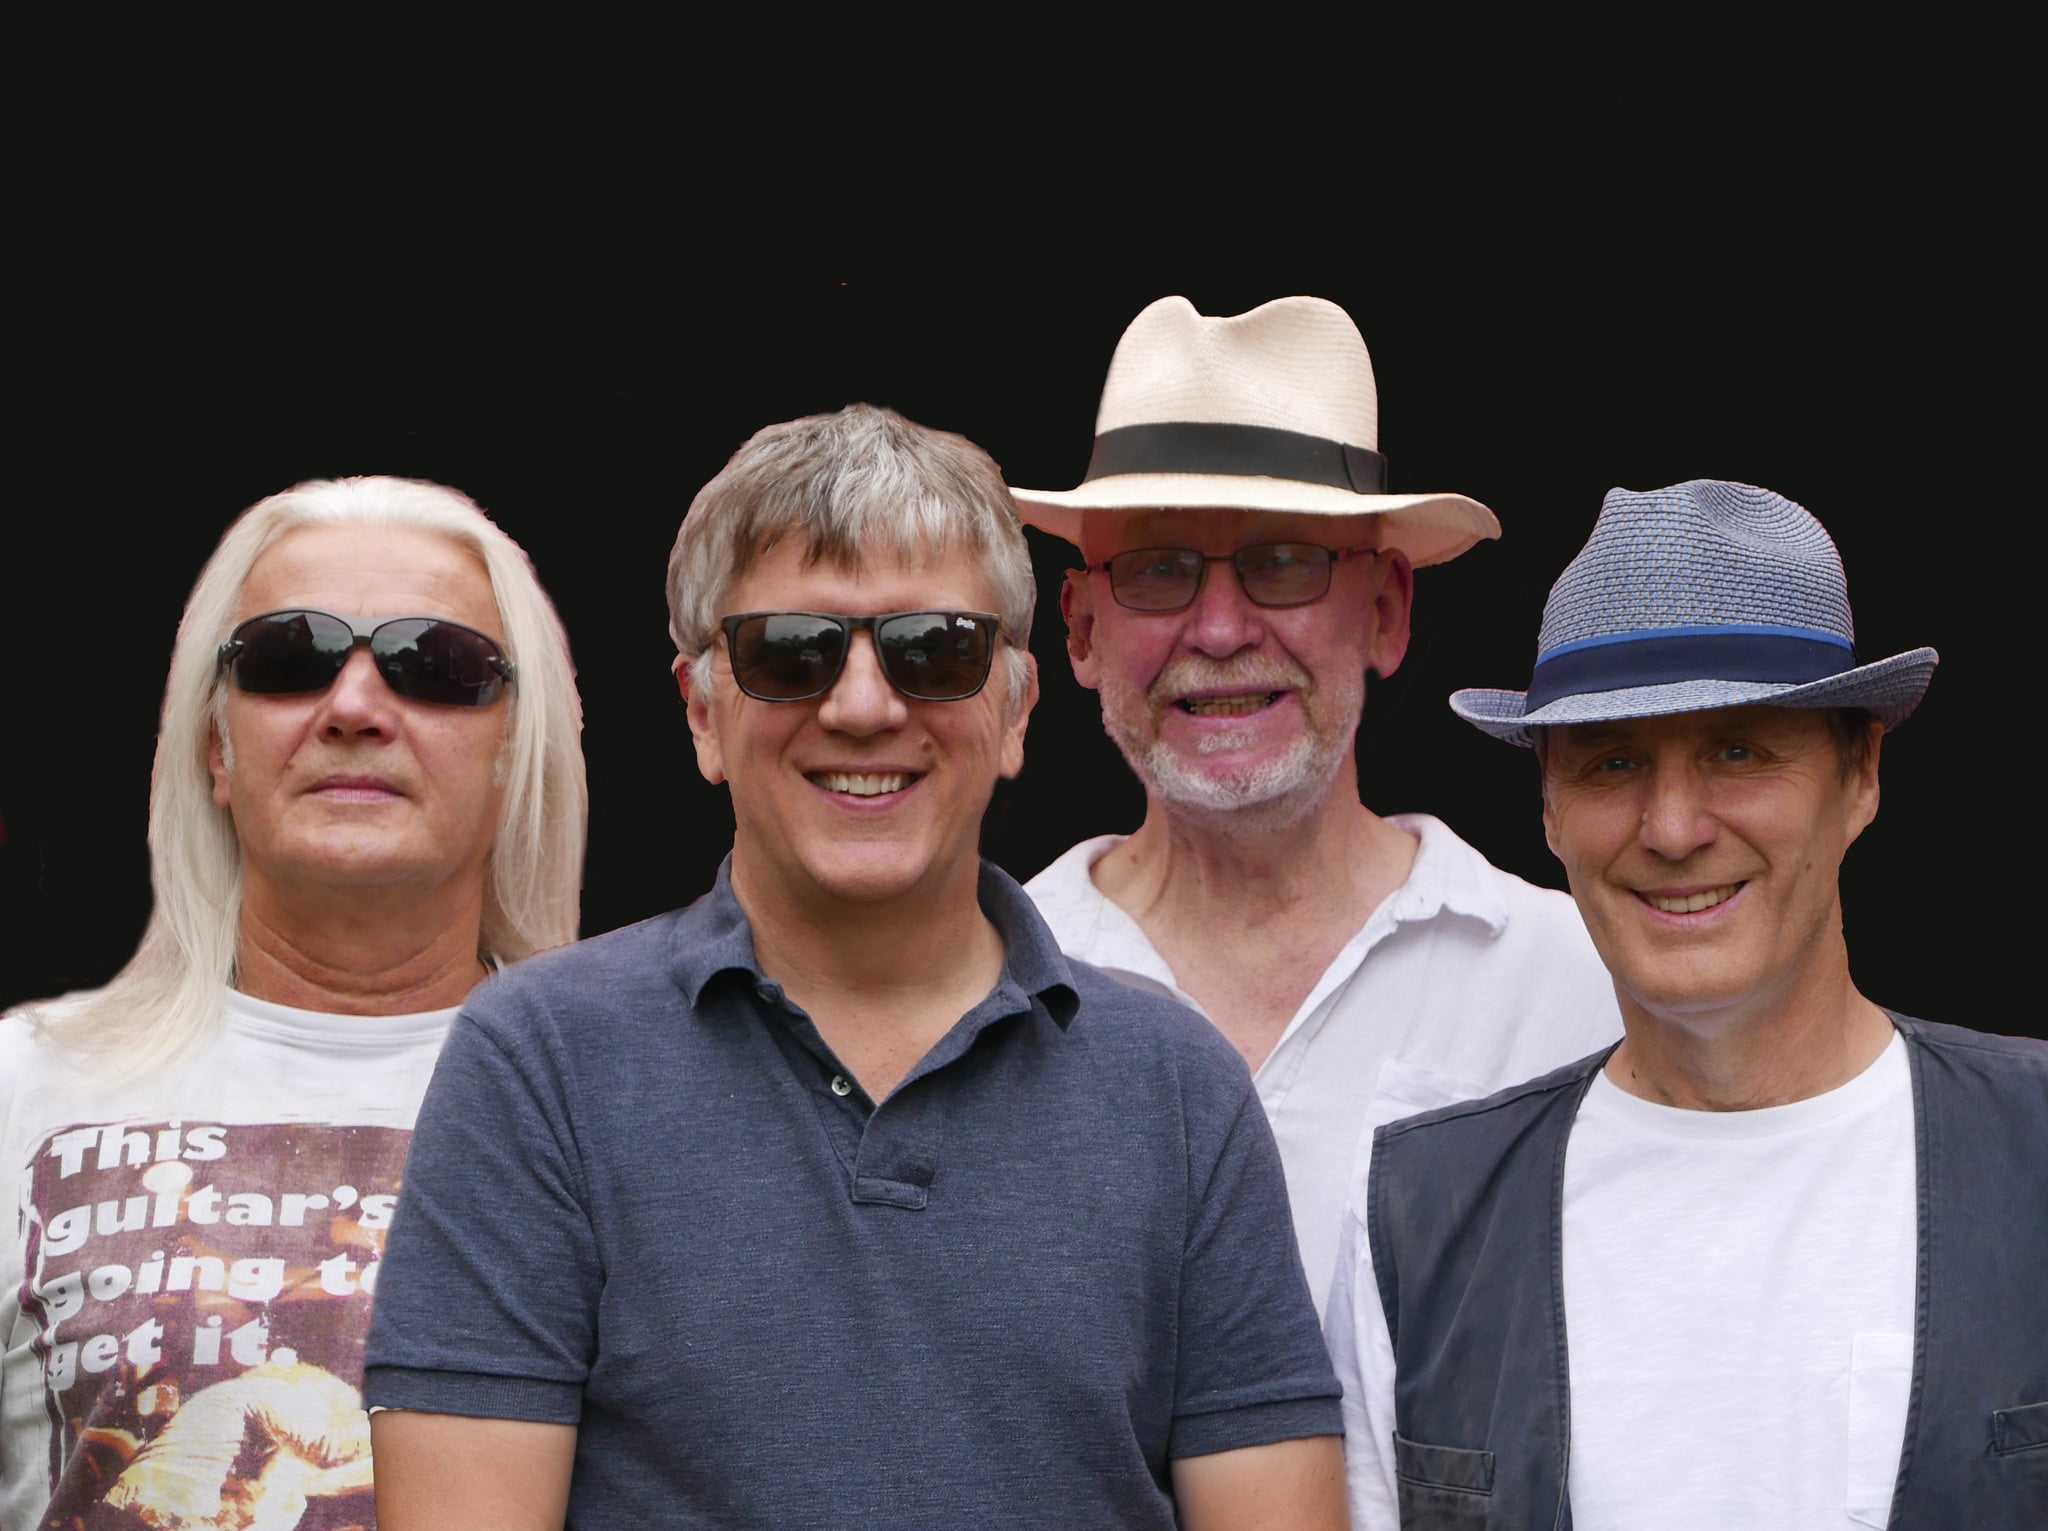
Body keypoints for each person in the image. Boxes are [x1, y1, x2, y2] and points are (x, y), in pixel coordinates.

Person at [362, 405, 1347, 1530]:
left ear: (1016, 708)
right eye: (791, 651)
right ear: (701, 711)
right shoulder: (538, 1061)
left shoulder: (1178, 1088)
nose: (865, 705)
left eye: (936, 649)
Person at [1328, 479, 2047, 1529]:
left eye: (1737, 750)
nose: (1671, 828)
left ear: (1859, 774)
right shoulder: (1413, 1217)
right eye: (1613, 761)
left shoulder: (2033, 1145)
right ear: (1547, 809)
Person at [0, 476, 587, 1530]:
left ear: (515, 755)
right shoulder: (20, 1088)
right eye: (287, 657)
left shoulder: (637, 1101)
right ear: (215, 748)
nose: (354, 707)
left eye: (436, 664)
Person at [1014, 295, 1622, 1309]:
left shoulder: (1570, 983)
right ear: (1079, 631)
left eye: (1283, 561)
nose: (1219, 630)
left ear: (1385, 611)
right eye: (1158, 569)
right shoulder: (991, 983)